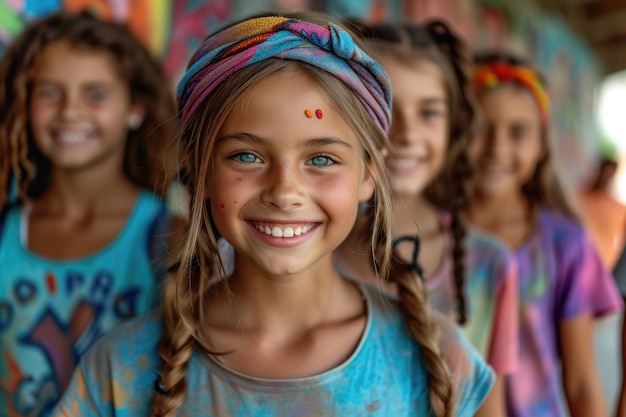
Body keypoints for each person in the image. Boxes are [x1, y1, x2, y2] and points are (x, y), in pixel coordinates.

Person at [52, 13, 494, 417]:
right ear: (196, 167)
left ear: (370, 174)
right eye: (246, 156)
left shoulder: (441, 362)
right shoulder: (121, 368)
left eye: (321, 159)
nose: (285, 192)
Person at [334, 21, 517, 417]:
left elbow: (489, 407)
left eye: (429, 112)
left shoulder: (489, 266)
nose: (406, 132)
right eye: (385, 108)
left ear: (454, 127)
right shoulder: (305, 247)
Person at [0, 11, 179, 417]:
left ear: (135, 107)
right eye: (49, 92)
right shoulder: (6, 235)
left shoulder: (169, 238)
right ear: (24, 104)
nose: (70, 111)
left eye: (95, 94)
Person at [467, 52, 623, 417]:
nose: (497, 147)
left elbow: (581, 380)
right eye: (481, 129)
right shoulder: (427, 234)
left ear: (541, 146)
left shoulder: (566, 245)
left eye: (518, 132)